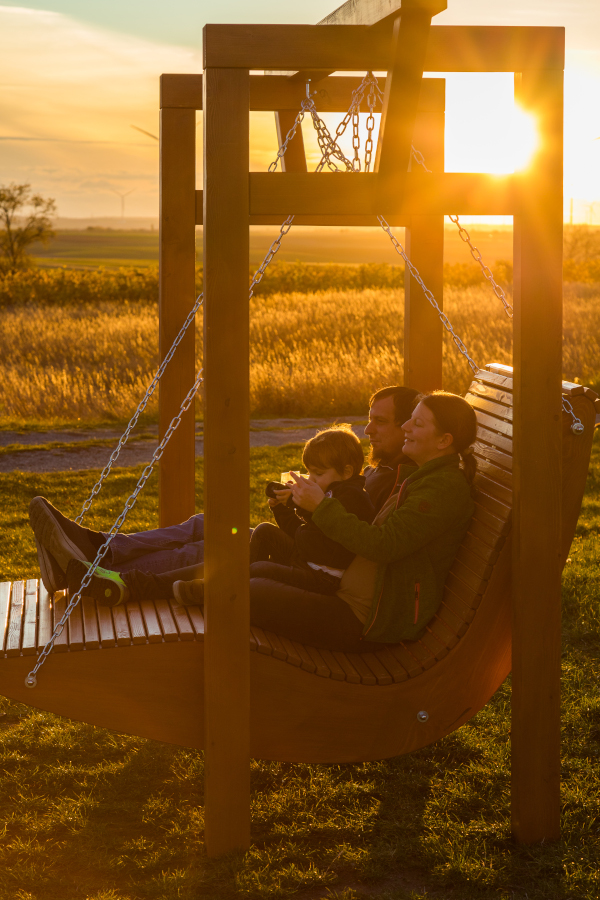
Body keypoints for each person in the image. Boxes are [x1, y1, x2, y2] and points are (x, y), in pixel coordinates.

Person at [54, 391, 478, 654]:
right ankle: (132, 584)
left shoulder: (440, 489)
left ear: (444, 441)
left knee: (245, 589)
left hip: (366, 619)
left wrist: (319, 506)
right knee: (250, 569)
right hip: (353, 597)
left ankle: (139, 583)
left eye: (416, 423)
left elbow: (382, 545)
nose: (406, 426)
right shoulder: (425, 478)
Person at [29, 385, 419, 593]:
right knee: (205, 523)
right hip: (308, 546)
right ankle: (101, 548)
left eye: (380, 422)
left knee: (211, 545)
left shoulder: (400, 477)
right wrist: (298, 502)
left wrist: (311, 505)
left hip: (310, 564)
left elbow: (348, 535)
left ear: (410, 426)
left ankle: (96, 571)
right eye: (369, 420)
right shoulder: (382, 467)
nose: (368, 430)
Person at [249, 425, 375, 596]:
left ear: (346, 472)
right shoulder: (328, 492)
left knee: (259, 569)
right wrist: (281, 509)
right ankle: (244, 584)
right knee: (264, 530)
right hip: (306, 559)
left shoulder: (353, 498)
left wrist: (300, 505)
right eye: (309, 472)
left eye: (318, 473)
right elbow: (301, 534)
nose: (311, 479)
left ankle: (241, 590)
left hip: (322, 577)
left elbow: (323, 537)